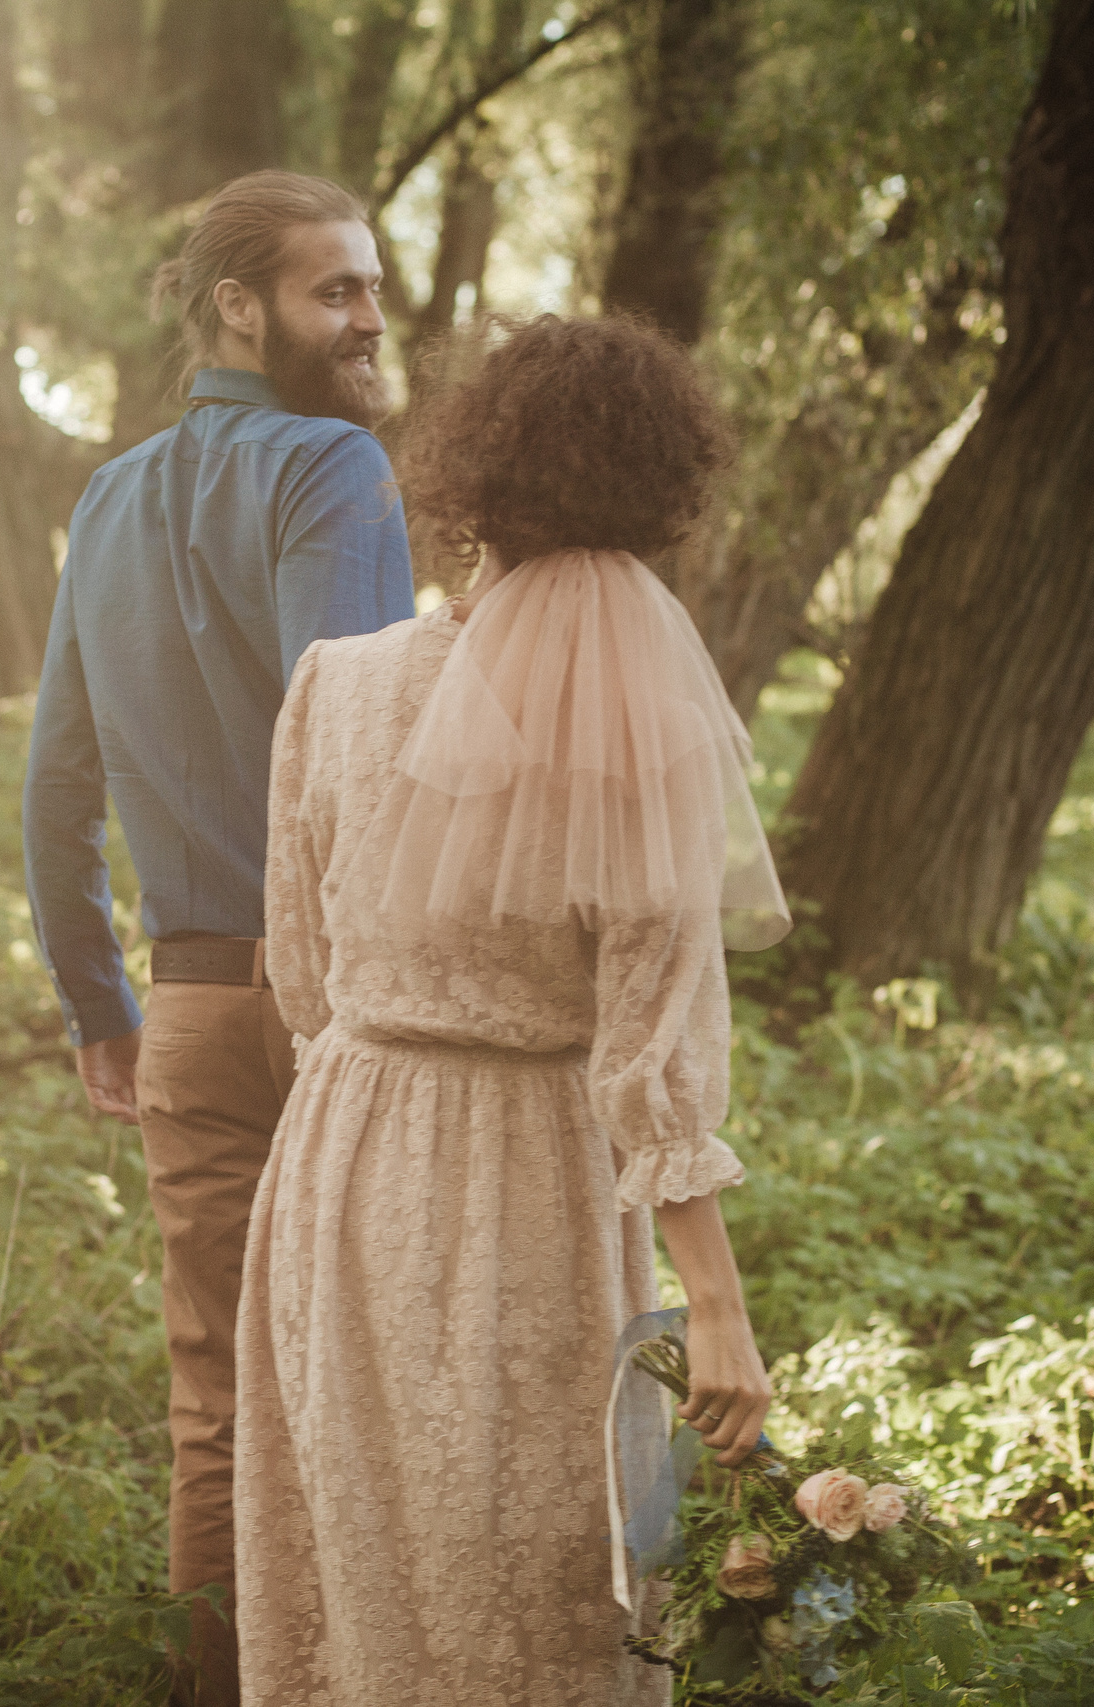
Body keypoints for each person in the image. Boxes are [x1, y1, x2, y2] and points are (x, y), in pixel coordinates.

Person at [235, 315, 791, 1706]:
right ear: (655, 501)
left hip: (345, 1155)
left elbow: (301, 975)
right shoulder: (634, 715)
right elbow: (653, 1047)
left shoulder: (335, 686)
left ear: (474, 480)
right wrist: (718, 1309)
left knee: (363, 1549)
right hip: (538, 1178)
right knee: (544, 1567)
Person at [21, 169, 417, 1707]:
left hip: (184, 1013)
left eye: (373, 286)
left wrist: (99, 1007)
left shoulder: (108, 500)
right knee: (381, 1389)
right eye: (338, 290)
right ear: (240, 307)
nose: (371, 318)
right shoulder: (335, 469)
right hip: (344, 1019)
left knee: (217, 1411)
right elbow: (354, 762)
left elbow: (58, 782)